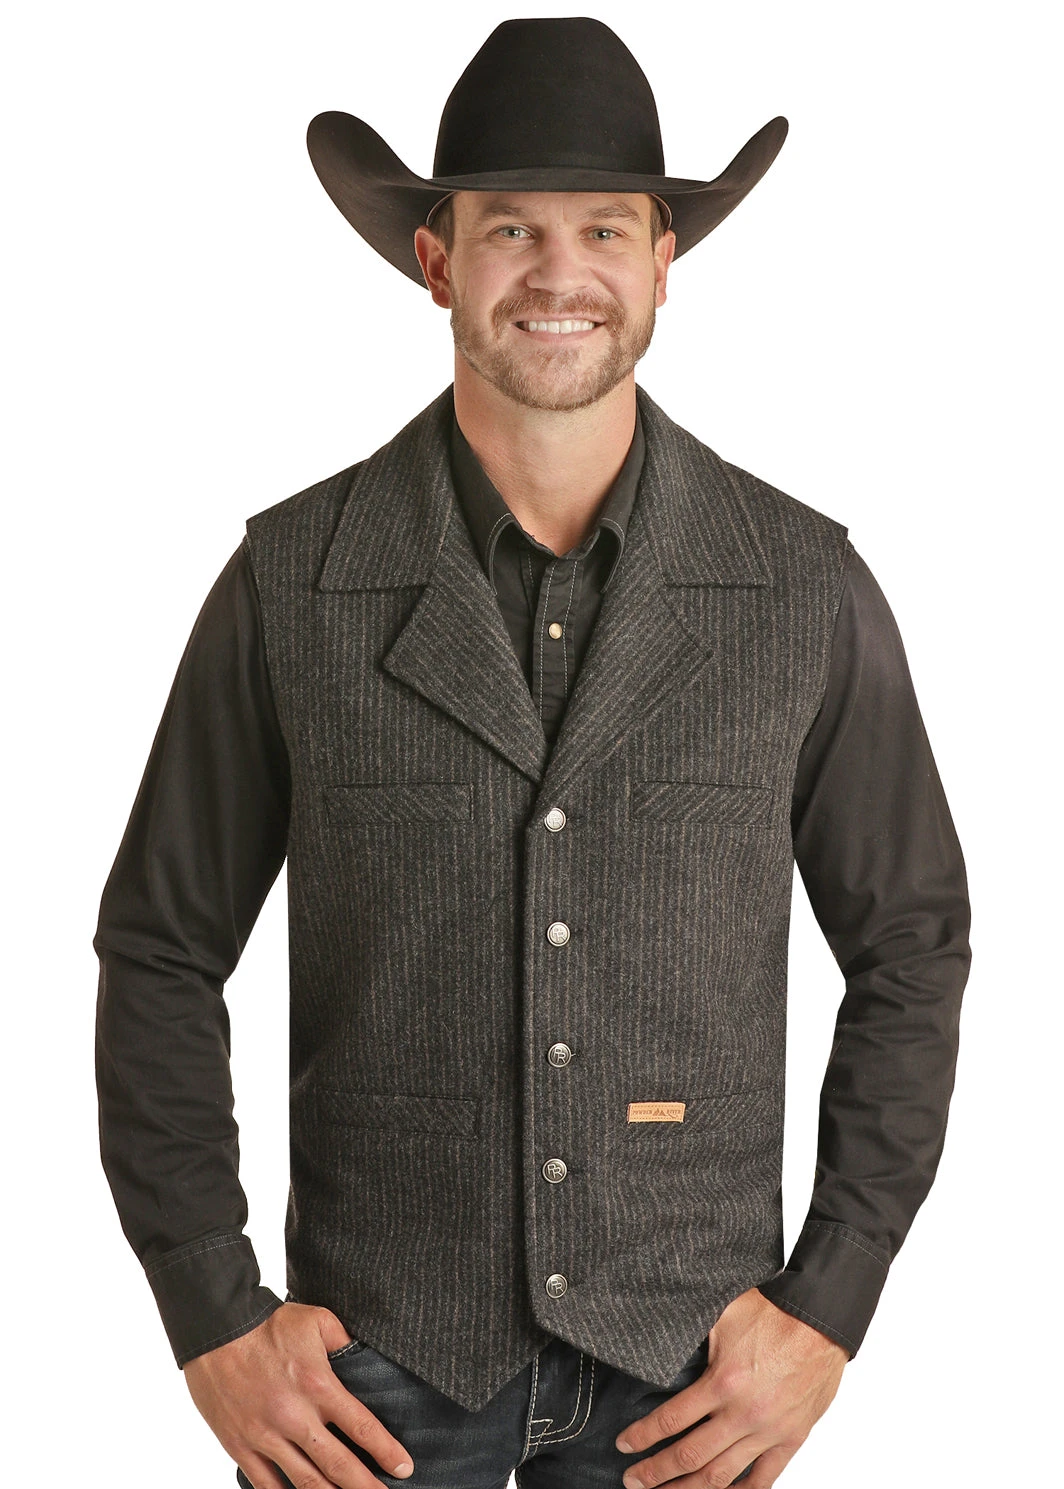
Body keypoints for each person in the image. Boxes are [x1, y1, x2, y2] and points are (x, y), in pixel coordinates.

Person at [93, 17, 971, 1489]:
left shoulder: (800, 583)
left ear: (662, 264)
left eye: (603, 229)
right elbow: (160, 949)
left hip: (690, 1376)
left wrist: (831, 1303)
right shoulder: (291, 580)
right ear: (437, 260)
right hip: (368, 1378)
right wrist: (210, 1313)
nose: (559, 273)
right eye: (511, 228)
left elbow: (913, 944)